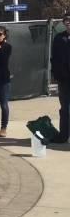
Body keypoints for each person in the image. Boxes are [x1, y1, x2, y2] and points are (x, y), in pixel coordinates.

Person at [51, 13, 70, 143]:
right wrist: (56, 74)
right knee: (65, 108)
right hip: (64, 79)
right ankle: (63, 135)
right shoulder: (59, 38)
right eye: (66, 20)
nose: (68, 22)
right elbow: (54, 59)